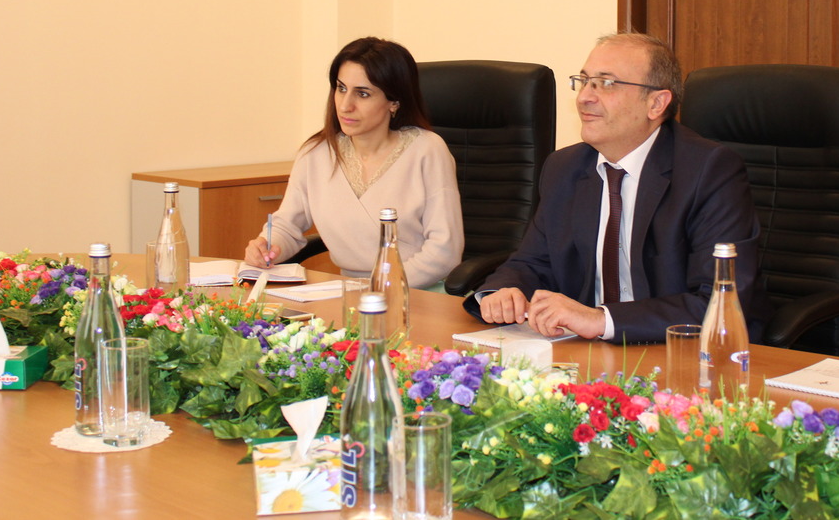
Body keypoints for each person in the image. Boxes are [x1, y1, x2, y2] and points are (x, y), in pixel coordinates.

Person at [465, 32, 768, 344]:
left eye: (606, 83)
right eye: (584, 81)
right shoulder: (564, 168)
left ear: (656, 103)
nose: (584, 97)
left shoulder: (709, 170)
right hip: (586, 351)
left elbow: (718, 303)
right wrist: (503, 291)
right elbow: (532, 262)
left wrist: (601, 319)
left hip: (685, 352)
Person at [244, 37, 464, 289]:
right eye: (341, 88)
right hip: (347, 291)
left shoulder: (427, 150)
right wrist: (268, 245)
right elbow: (287, 226)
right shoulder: (315, 154)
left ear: (394, 102)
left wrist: (378, 287)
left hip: (416, 289)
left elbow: (444, 251)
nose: (345, 105)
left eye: (362, 94)